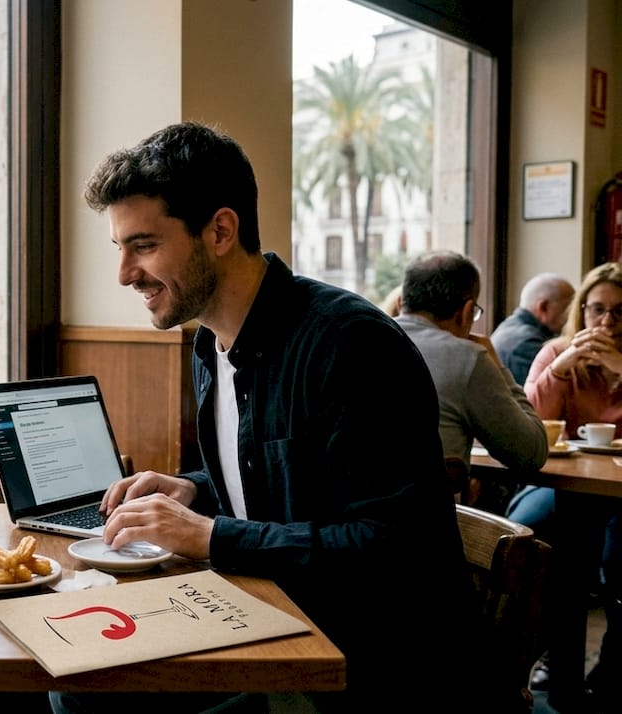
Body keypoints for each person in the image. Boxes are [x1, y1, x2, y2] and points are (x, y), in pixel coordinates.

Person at [52, 121, 490, 713]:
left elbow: (391, 547)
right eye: (120, 248)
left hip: (366, 673)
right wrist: (194, 490)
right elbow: (282, 484)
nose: (125, 273)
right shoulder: (211, 340)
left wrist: (211, 535)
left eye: (145, 245)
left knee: (91, 700)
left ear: (221, 231)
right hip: (274, 622)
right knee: (78, 682)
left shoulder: (350, 345)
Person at [506, 262, 622, 705]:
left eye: (618, 312)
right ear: (582, 311)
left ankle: (609, 669)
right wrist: (561, 369)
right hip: (564, 485)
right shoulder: (555, 352)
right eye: (597, 310)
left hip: (615, 493)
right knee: (535, 532)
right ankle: (559, 667)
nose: (606, 322)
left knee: (618, 559)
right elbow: (527, 426)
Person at [394, 251, 547, 511]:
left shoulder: (356, 343)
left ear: (400, 302)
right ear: (466, 312)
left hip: (337, 528)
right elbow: (531, 453)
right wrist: (496, 364)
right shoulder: (466, 357)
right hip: (423, 531)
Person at [490, 272, 576, 386]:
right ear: (543, 307)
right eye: (570, 308)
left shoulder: (510, 329)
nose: (574, 315)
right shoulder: (526, 344)